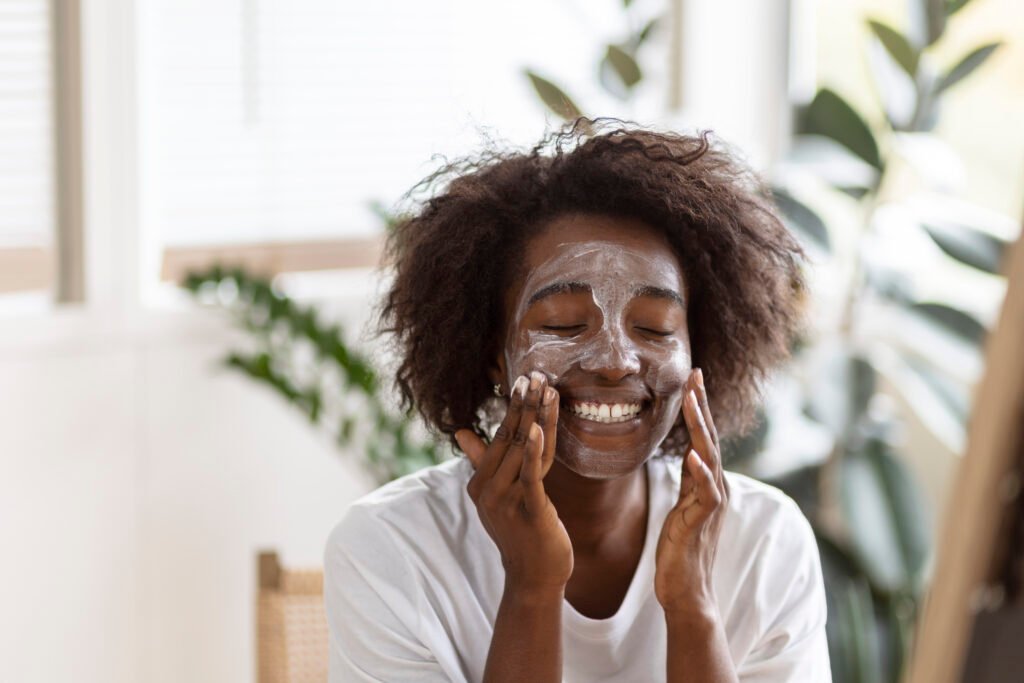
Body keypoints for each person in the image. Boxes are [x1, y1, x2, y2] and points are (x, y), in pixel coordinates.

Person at [324, 120, 831, 682]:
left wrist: (693, 607)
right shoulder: (391, 550)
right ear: (492, 355)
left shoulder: (765, 543)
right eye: (564, 324)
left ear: (698, 350)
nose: (615, 361)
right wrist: (532, 587)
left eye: (655, 327)